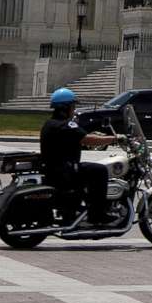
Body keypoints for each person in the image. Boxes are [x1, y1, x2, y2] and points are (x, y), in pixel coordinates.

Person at [40, 88, 112, 226]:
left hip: (55, 171)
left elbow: (79, 137)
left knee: (90, 170)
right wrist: (114, 138)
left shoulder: (49, 124)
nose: (74, 110)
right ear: (65, 108)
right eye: (73, 106)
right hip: (65, 172)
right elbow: (87, 140)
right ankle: (97, 214)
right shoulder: (66, 124)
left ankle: (80, 208)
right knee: (100, 171)